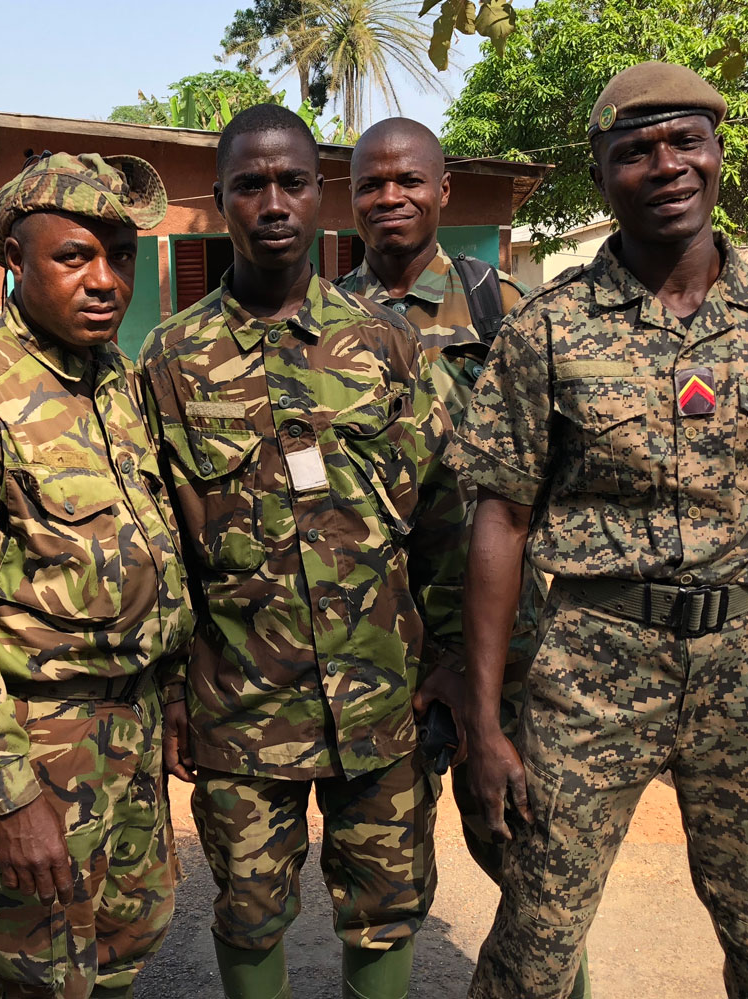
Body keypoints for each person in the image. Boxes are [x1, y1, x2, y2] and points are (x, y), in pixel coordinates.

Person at [448, 62, 748, 999]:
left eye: (686, 140)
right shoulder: (548, 330)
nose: (667, 165)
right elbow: (500, 524)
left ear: (719, 154)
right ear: (602, 176)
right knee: (535, 939)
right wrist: (484, 724)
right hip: (592, 665)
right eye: (635, 151)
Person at [137, 103, 465, 999]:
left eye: (291, 182)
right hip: (239, 702)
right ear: (220, 203)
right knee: (248, 906)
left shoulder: (390, 343)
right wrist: (171, 690)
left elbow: (443, 518)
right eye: (250, 185)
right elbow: (159, 538)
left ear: (320, 196)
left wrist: (450, 661)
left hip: (380, 693)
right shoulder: (172, 356)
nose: (273, 202)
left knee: (387, 900)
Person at [0, 151, 193, 999]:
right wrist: (9, 795)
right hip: (38, 749)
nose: (105, 281)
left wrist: (166, 693)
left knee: (120, 954)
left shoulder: (117, 383)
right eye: (73, 257)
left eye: (121, 256)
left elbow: (152, 554)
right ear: (14, 260)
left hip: (127, 733)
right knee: (35, 975)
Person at [336, 117, 590, 999]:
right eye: (372, 183)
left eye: (410, 180)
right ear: (353, 197)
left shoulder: (506, 310)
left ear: (443, 191)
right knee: (379, 887)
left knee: (535, 873)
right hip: (380, 653)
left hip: (504, 649)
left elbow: (564, 470)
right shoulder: (325, 323)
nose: (391, 197)